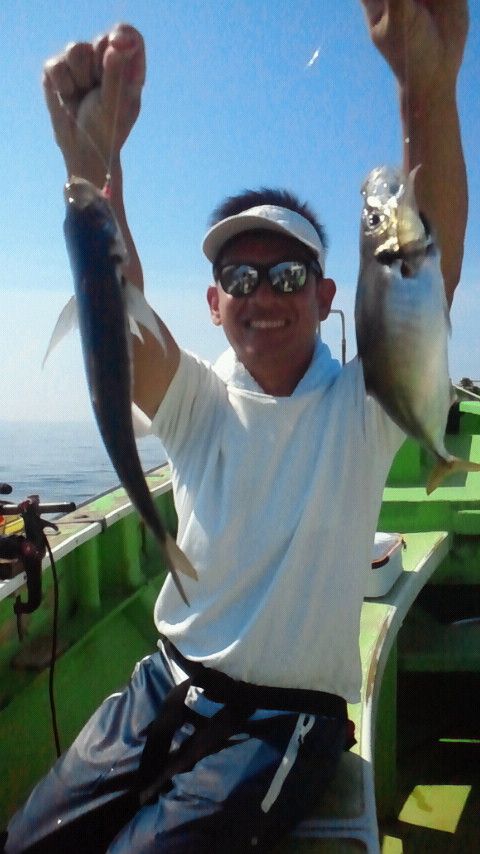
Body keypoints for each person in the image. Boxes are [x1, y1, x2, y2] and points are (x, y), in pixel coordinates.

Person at [4, 1, 469, 852]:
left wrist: (426, 93)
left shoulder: (364, 406)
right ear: (214, 304)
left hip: (286, 721)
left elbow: (423, 269)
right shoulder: (197, 400)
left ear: (326, 297)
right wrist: (92, 159)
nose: (263, 296)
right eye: (240, 278)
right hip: (161, 687)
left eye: (287, 275)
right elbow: (117, 303)